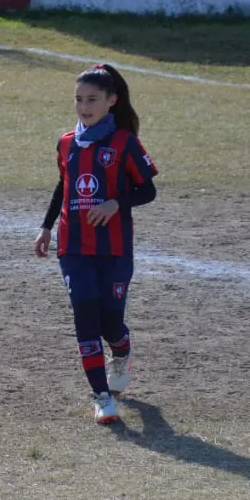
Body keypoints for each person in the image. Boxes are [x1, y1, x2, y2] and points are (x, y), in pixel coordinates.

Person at [33, 64, 159, 424]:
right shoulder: (66, 143)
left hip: (115, 249)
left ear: (111, 101)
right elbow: (64, 185)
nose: (84, 107)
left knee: (111, 323)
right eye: (78, 100)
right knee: (85, 314)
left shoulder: (124, 143)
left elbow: (148, 190)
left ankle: (121, 352)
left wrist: (116, 202)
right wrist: (45, 228)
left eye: (92, 100)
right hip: (73, 247)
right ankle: (102, 397)